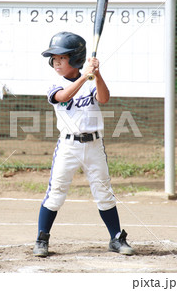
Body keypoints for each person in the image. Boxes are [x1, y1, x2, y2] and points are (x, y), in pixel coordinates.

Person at [33, 31, 135, 257]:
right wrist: (84, 77)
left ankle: (116, 238)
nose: (56, 62)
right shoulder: (54, 81)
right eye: (54, 58)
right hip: (68, 147)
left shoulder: (89, 80)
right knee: (56, 193)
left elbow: (104, 98)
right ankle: (42, 239)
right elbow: (64, 97)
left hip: (94, 146)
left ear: (76, 59)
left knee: (104, 193)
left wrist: (96, 75)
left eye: (62, 57)